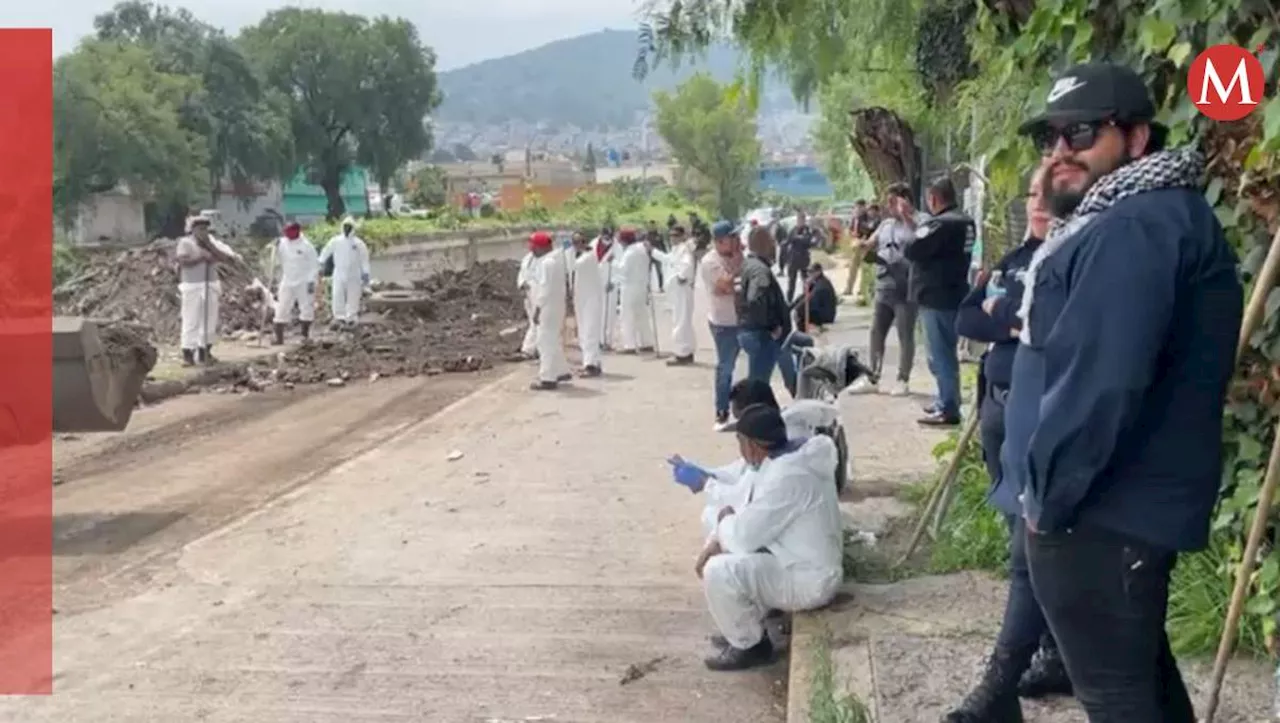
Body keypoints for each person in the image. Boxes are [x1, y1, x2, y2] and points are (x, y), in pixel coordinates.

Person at [1002, 62, 1241, 722]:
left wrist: (1046, 499)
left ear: (1136, 140)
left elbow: (1099, 383)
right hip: (1119, 507)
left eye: (1079, 134)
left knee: (1118, 699)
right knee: (1141, 687)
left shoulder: (1136, 228)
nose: (1059, 155)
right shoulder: (1141, 217)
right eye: (1048, 140)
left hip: (1102, 513)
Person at [945, 163, 1069, 722]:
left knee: (1030, 552)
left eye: (1047, 195)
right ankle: (1052, 651)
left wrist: (1013, 317)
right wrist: (1012, 323)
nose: (1037, 204)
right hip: (998, 410)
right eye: (1031, 195)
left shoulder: (1071, 262)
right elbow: (967, 318)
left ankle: (1005, 680)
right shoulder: (1015, 262)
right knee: (1020, 545)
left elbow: (1056, 325)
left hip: (1044, 419)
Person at [695, 403, 843, 671]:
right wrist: (722, 529)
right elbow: (748, 518)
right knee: (729, 545)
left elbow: (743, 537)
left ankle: (750, 645)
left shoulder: (787, 476)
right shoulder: (791, 460)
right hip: (801, 565)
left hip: (809, 581)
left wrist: (722, 525)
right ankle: (743, 627)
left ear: (750, 445)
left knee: (718, 570)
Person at [903, 177, 974, 426]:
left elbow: (912, 248)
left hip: (937, 297)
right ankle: (945, 399)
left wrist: (913, 225)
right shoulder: (965, 221)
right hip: (953, 294)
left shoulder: (941, 224)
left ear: (933, 198)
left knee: (941, 355)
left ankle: (949, 408)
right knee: (942, 354)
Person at [848, 185, 919, 397]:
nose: (889, 207)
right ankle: (873, 375)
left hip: (905, 287)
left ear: (905, 200)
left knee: (905, 334)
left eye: (893, 202)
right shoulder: (886, 224)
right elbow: (871, 243)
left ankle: (903, 378)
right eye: (888, 202)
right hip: (884, 284)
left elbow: (922, 240)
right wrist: (862, 245)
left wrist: (907, 217)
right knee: (876, 331)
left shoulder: (919, 221)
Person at [736, 225, 797, 397]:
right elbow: (756, 299)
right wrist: (771, 326)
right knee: (759, 385)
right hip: (761, 334)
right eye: (771, 242)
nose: (775, 246)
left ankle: (796, 392)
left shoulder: (750, 264)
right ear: (763, 244)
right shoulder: (759, 270)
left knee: (784, 365)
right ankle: (753, 415)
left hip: (756, 332)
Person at [174, 214, 243, 366]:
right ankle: (188, 354)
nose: (203, 232)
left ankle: (204, 351)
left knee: (209, 319)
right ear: (193, 230)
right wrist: (201, 258)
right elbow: (182, 261)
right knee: (191, 319)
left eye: (205, 229)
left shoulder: (211, 243)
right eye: (200, 229)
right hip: (192, 285)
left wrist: (210, 248)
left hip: (210, 283)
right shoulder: (185, 243)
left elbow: (226, 258)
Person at [701, 221, 744, 429]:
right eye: (731, 238)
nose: (736, 241)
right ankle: (721, 410)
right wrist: (736, 263)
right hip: (724, 323)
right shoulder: (710, 261)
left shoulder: (741, 256)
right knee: (726, 367)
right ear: (719, 242)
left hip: (745, 320)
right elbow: (724, 286)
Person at [528, 231, 573, 390]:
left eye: (533, 247)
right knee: (553, 339)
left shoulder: (547, 263)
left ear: (541, 247)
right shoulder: (557, 259)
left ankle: (547, 378)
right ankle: (562, 371)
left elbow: (545, 289)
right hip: (557, 305)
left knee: (544, 341)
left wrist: (538, 309)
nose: (531, 251)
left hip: (548, 307)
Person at [648, 225, 697, 365]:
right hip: (676, 291)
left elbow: (687, 265)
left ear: (682, 236)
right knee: (681, 320)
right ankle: (685, 351)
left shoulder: (684, 249)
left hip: (682, 289)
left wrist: (682, 276)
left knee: (681, 321)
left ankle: (682, 353)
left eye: (676, 235)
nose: (672, 238)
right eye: (671, 235)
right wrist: (653, 251)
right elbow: (668, 259)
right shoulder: (676, 250)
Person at [268, 221, 320, 345]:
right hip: (287, 280)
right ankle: (279, 339)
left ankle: (305, 336)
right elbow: (273, 257)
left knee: (306, 307)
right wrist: (273, 247)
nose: (287, 234)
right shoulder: (282, 243)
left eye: (289, 232)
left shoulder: (307, 246)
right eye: (285, 232)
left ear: (297, 231)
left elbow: (315, 265)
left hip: (304, 281)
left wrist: (312, 281)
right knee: (282, 307)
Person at [318, 216, 371, 328]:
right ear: (342, 227)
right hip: (339, 273)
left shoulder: (359, 243)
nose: (347, 229)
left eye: (349, 227)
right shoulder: (336, 241)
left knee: (353, 295)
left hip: (354, 274)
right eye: (345, 227)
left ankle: (351, 317)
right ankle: (339, 317)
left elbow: (364, 259)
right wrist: (321, 263)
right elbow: (326, 251)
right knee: (337, 294)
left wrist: (365, 273)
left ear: (353, 228)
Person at [569, 231, 604, 377]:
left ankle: (591, 365)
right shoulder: (582, 256)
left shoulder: (589, 257)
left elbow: (572, 266)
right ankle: (590, 362)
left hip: (591, 300)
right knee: (584, 332)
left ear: (585, 242)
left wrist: (568, 252)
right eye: (574, 242)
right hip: (582, 299)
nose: (576, 245)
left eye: (579, 242)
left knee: (590, 332)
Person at [616, 228, 656, 354]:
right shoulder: (641, 249)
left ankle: (629, 345)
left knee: (627, 316)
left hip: (629, 287)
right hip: (642, 286)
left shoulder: (629, 253)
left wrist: (613, 263)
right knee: (641, 315)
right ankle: (647, 342)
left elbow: (623, 270)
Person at [593, 227, 621, 350]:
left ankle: (607, 341)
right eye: (605, 237)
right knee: (596, 312)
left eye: (609, 237)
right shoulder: (593, 244)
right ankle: (597, 339)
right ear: (600, 235)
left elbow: (622, 268)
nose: (607, 240)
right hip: (595, 283)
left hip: (610, 284)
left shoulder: (617, 248)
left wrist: (614, 281)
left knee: (609, 313)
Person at [791, 263, 836, 333]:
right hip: (823, 310)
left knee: (799, 314)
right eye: (808, 272)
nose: (809, 274)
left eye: (811, 272)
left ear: (819, 272)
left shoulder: (822, 285)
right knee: (800, 306)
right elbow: (805, 295)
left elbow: (810, 299)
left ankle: (802, 336)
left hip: (826, 315)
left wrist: (797, 309)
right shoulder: (819, 281)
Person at [783, 210, 817, 301]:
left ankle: (806, 300)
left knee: (806, 281)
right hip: (793, 259)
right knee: (791, 283)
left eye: (801, 220)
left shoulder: (807, 230)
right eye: (798, 219)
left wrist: (798, 238)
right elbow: (788, 241)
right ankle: (789, 301)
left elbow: (808, 241)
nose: (800, 221)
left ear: (804, 220)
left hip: (803, 259)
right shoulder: (793, 230)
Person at [516, 247, 540, 359]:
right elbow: (522, 273)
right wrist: (522, 284)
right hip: (528, 292)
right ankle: (531, 349)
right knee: (532, 320)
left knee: (538, 321)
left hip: (538, 291)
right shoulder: (527, 258)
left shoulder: (546, 260)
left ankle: (530, 349)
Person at [646, 219, 667, 292]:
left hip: (657, 255)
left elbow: (662, 244)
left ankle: (660, 286)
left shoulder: (659, 235)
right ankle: (647, 286)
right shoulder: (646, 235)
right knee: (648, 272)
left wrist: (665, 253)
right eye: (651, 225)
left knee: (659, 271)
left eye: (653, 225)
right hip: (649, 255)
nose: (652, 227)